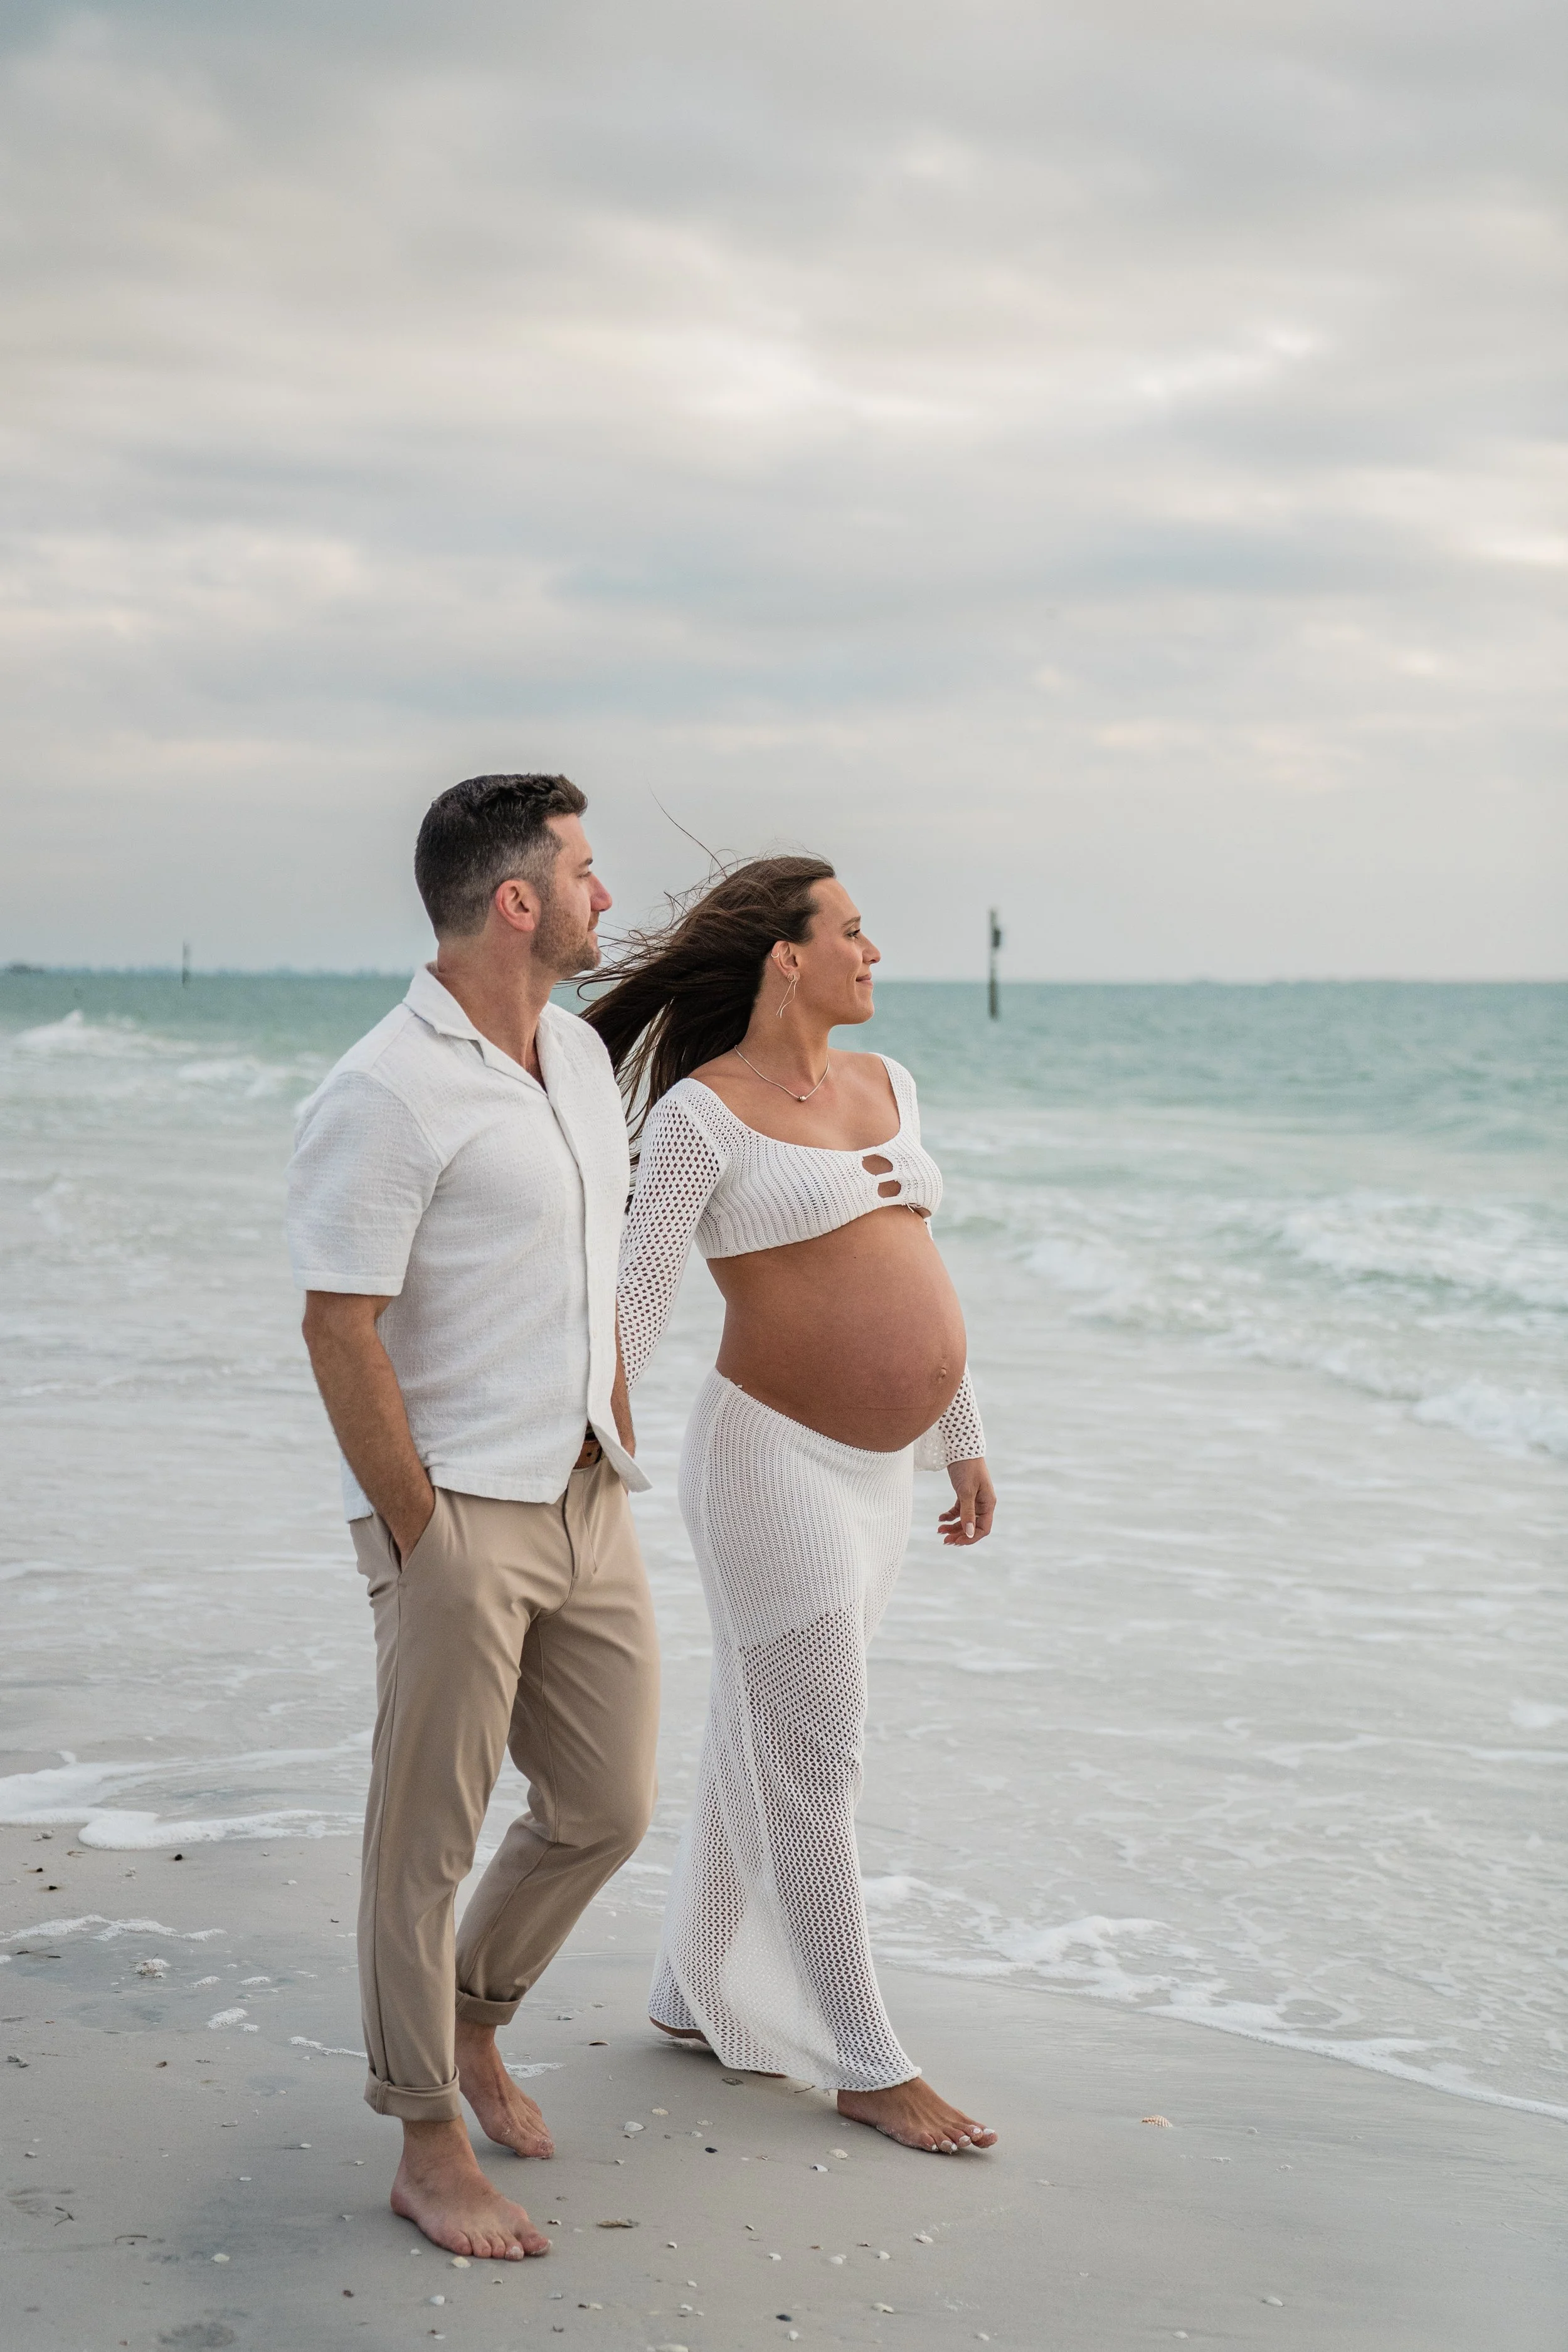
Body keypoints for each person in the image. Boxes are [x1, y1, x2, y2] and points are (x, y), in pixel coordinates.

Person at [286, 775, 659, 2260]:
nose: (601, 896)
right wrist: (421, 1533)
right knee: (422, 1847)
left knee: (607, 1807)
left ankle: (470, 2017)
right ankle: (424, 2138)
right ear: (517, 901)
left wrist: (614, 1426)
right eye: (583, 870)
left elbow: (596, 1264)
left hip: (585, 1493)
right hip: (456, 1514)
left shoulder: (570, 1057)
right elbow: (337, 1324)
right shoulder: (383, 1090)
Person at [586, 856, 999, 2155]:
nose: (873, 954)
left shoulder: (890, 1084)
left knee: (763, 1729)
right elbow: (635, 1300)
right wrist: (592, 1444)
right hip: (769, 1465)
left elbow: (910, 1267)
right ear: (786, 955)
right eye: (854, 932)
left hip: (882, 1480)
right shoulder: (702, 1118)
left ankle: (686, 1989)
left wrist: (960, 1435)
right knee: (815, 1752)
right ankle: (864, 2059)